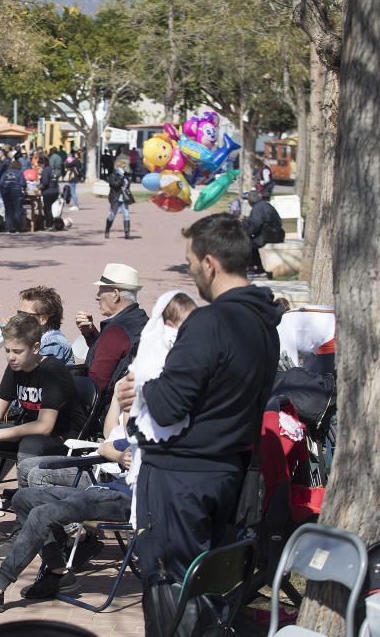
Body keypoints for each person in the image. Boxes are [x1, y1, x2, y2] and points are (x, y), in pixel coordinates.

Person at [116, 213, 281, 636]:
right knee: (205, 597)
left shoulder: (210, 322)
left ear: (209, 263)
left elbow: (170, 406)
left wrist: (144, 387)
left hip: (181, 483)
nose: (190, 272)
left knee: (173, 600)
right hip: (225, 474)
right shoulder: (264, 322)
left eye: (190, 262)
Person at [0, 394, 135, 612]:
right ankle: (58, 573)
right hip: (102, 489)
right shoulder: (143, 429)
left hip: (127, 500)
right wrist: (119, 455)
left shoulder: (165, 438)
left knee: (43, 514)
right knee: (23, 498)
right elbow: (104, 447)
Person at [0, 313, 88, 539]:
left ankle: (23, 527)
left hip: (61, 437)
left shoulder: (52, 371)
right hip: (29, 429)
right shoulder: (15, 368)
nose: (11, 357)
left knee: (29, 445)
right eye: (7, 351)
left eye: (17, 352)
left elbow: (45, 426)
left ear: (35, 348)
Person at [75, 263, 148, 401]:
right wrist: (91, 333)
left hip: (109, 412)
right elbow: (113, 354)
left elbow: (95, 385)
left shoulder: (115, 333)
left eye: (101, 290)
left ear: (115, 295)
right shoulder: (142, 319)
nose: (97, 296)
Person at [19, 286, 73, 365]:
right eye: (19, 313)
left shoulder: (52, 343)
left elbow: (38, 371)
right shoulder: (36, 334)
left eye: (24, 315)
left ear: (42, 319)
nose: (20, 318)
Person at [245, 189, 284, 276]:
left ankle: (256, 267)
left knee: (248, 243)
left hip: (268, 235)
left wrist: (247, 233)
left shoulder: (257, 208)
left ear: (250, 200)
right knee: (252, 241)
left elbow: (256, 224)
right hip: (278, 234)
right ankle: (259, 267)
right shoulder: (267, 205)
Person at [105, 165, 133, 239]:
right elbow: (115, 185)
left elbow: (128, 185)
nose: (124, 169)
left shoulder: (125, 176)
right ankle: (107, 230)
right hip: (115, 198)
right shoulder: (113, 176)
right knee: (112, 215)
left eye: (124, 168)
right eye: (122, 168)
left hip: (123, 198)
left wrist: (126, 180)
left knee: (126, 214)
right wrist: (121, 178)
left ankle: (127, 233)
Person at [0, 160, 26, 234]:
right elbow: (23, 183)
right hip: (16, 192)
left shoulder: (6, 172)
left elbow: (1, 183)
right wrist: (24, 188)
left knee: (8, 210)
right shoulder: (20, 173)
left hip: (6, 192)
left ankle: (8, 228)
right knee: (17, 210)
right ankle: (17, 228)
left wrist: (2, 191)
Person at [39, 159, 61, 231]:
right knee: (47, 208)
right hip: (55, 191)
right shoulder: (51, 170)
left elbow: (45, 183)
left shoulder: (45, 170)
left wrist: (38, 188)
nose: (39, 166)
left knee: (47, 209)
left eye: (39, 164)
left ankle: (49, 226)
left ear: (43, 164)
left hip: (48, 192)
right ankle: (50, 224)